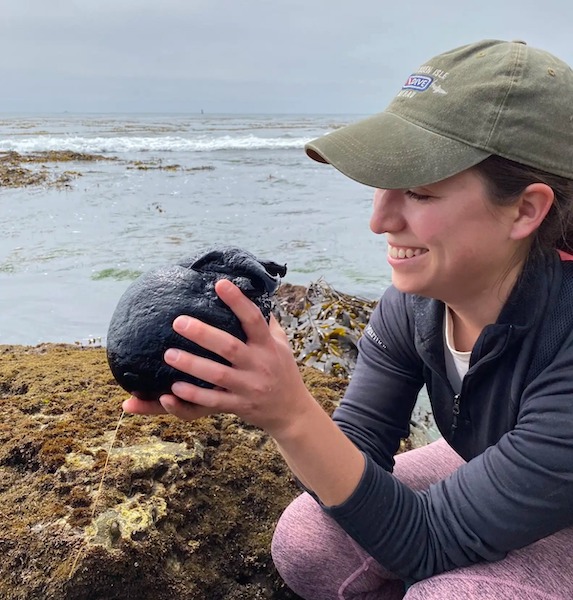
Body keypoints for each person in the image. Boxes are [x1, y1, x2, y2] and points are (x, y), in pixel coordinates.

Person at [123, 39, 573, 599]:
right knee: (309, 542)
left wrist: (291, 414)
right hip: (516, 480)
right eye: (382, 186)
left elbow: (430, 540)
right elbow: (357, 449)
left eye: (418, 192)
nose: (379, 220)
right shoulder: (415, 306)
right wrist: (253, 395)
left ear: (527, 210)